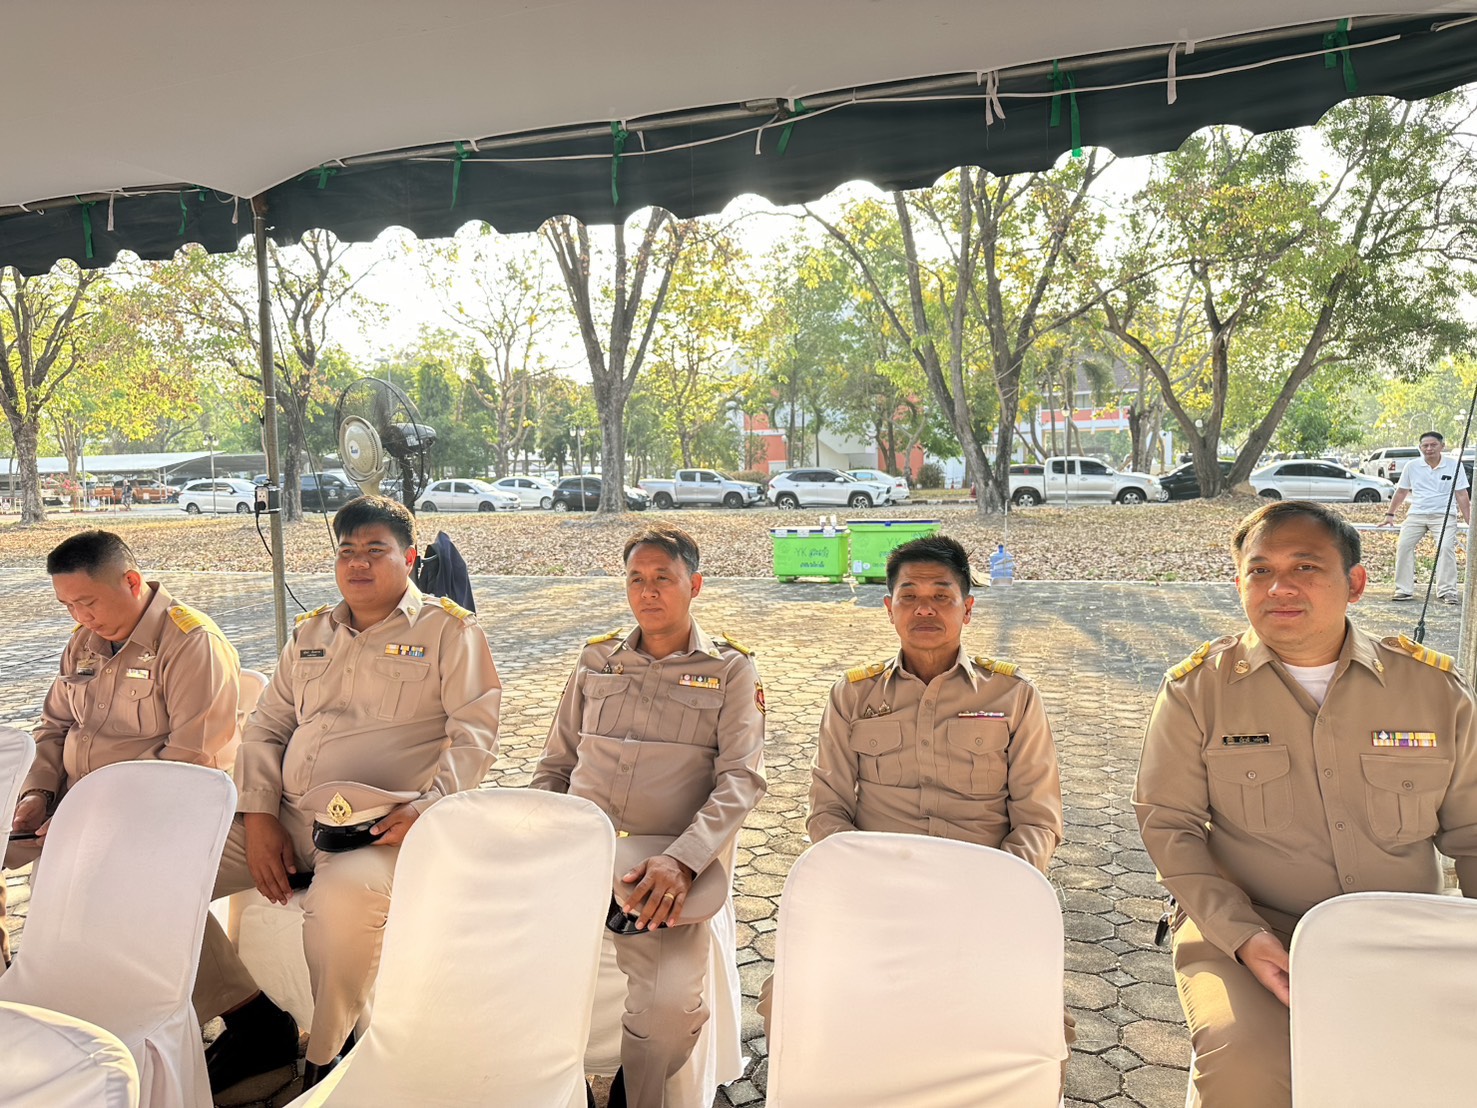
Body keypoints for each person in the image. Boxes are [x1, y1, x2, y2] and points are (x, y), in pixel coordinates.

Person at [1134, 500, 1477, 1108]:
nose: (1280, 587)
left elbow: (1473, 835)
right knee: (1245, 1064)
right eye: (1260, 571)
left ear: (1356, 583)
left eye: (1306, 567)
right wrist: (1244, 937)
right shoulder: (1197, 691)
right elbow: (1170, 827)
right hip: (1252, 929)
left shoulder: (1433, 690)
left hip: (1402, 932)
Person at [195, 495, 502, 1093]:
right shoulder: (312, 632)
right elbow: (267, 727)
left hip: (380, 828)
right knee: (164, 877)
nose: (358, 563)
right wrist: (258, 816)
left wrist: (430, 808)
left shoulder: (448, 631)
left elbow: (476, 734)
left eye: (375, 550)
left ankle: (329, 1059)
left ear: (409, 558)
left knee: (342, 905)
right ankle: (252, 1019)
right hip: (286, 817)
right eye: (347, 551)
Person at [760, 535, 1067, 1053]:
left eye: (942, 596)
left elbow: (1038, 820)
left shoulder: (1013, 695)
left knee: (1038, 1029)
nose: (925, 609)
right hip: (877, 895)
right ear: (889, 608)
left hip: (984, 894)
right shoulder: (853, 695)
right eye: (910, 596)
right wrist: (865, 883)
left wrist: (998, 889)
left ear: (967, 609)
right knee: (787, 1003)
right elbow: (828, 808)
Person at [532, 524, 766, 1108]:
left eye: (664, 577)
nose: (648, 591)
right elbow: (556, 764)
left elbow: (741, 780)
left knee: (668, 1012)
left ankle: (633, 1094)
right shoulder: (596, 659)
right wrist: (537, 837)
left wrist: (683, 861)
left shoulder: (730, 669)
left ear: (695, 585)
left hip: (659, 868)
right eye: (636, 578)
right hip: (577, 852)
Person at [2, 531, 240, 969]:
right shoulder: (83, 643)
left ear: (131, 582)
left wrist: (92, 815)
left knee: (97, 891)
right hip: (70, 810)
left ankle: (239, 1006)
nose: (81, 616)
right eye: (67, 606)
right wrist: (38, 794)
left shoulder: (190, 642)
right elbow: (54, 726)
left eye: (87, 602)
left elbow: (192, 762)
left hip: (160, 815)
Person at [1383, 430, 1470, 604]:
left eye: (1433, 445)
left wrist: (1470, 520)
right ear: (1420, 447)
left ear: (1442, 446)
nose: (1429, 448)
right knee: (1403, 546)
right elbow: (1401, 492)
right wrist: (1390, 514)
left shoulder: (1454, 465)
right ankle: (1403, 590)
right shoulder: (1412, 466)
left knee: (1445, 548)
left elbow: (1461, 494)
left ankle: (1447, 591)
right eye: (1425, 445)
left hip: (1444, 515)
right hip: (1417, 514)